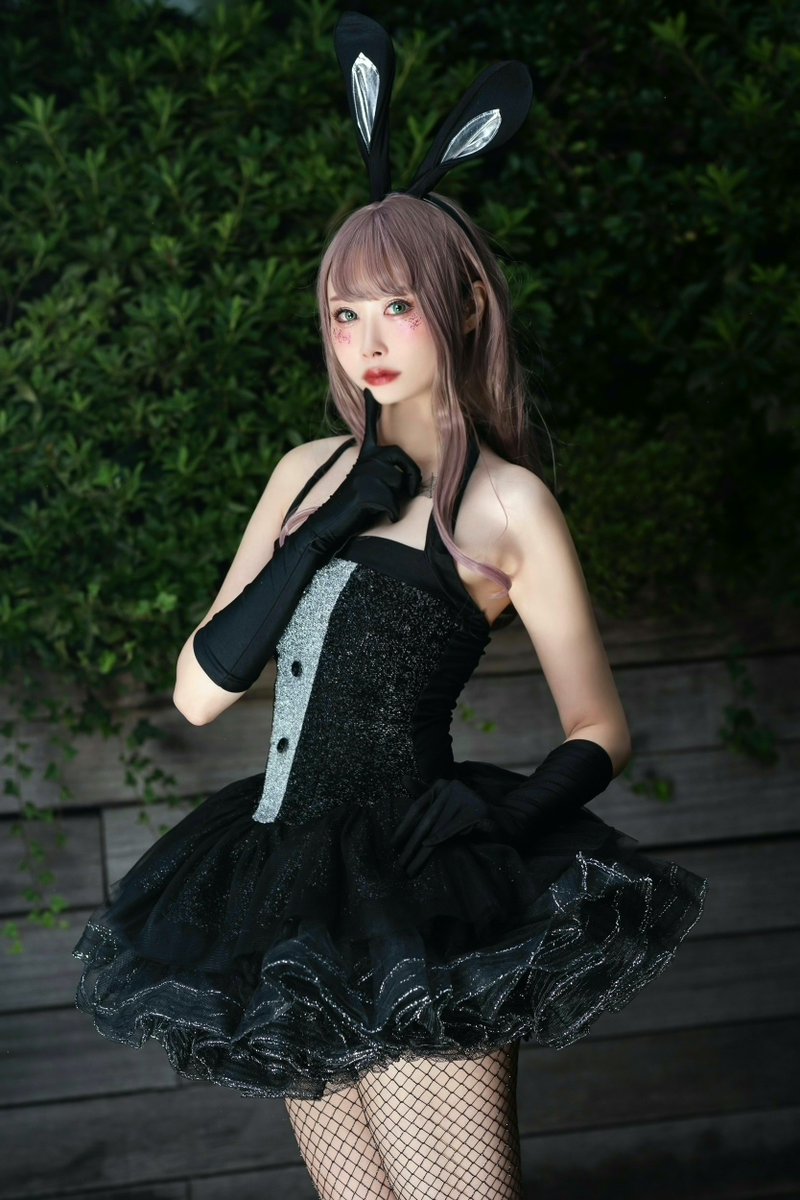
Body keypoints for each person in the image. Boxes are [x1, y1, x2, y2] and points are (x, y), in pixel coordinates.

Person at [72, 14, 708, 1200]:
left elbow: (600, 727)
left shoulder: (506, 504)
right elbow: (200, 691)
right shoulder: (300, 473)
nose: (365, 341)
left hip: (417, 889)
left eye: (395, 307)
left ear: (460, 308)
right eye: (342, 313)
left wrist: (505, 816)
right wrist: (320, 528)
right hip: (283, 887)